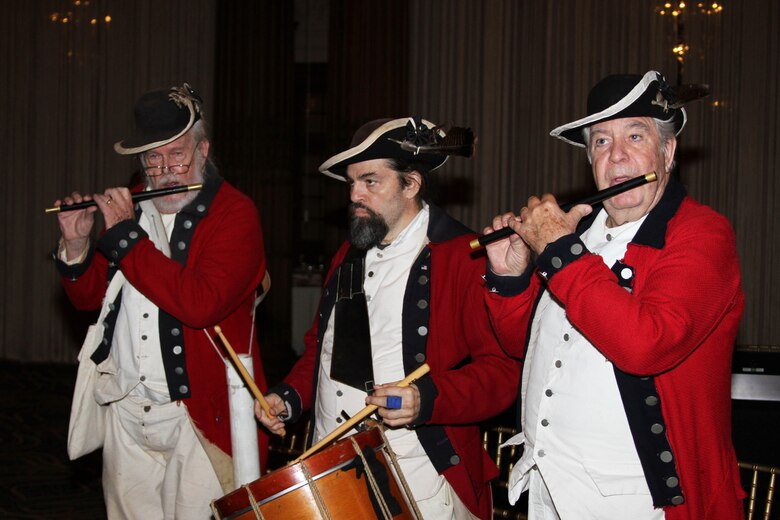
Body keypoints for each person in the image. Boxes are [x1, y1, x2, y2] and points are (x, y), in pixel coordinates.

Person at [481, 70, 745, 520]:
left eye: (635, 135)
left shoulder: (701, 233)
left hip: (640, 500)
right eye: (601, 141)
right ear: (590, 159)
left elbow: (646, 345)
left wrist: (561, 254)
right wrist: (509, 279)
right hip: (548, 488)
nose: (617, 155)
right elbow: (519, 349)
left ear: (668, 151)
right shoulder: (578, 234)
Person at [256, 117, 521, 519]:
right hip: (332, 471)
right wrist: (289, 396)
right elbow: (321, 349)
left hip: (422, 478)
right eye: (351, 183)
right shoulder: (347, 254)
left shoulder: (463, 257)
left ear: (411, 184)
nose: (355, 195)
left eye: (370, 182)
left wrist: (426, 398)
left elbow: (503, 374)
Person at [53, 83, 269, 518]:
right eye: (152, 157)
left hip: (199, 417)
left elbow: (200, 304)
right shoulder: (130, 206)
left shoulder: (234, 213)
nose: (164, 169)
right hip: (127, 408)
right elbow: (91, 299)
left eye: (177, 154)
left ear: (203, 150)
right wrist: (76, 246)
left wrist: (126, 237)